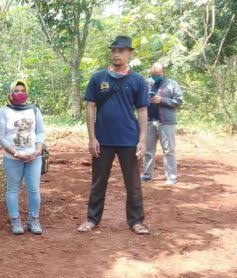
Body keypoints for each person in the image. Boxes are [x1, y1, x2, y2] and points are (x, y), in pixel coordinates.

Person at [78, 36, 151, 235]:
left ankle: (136, 221)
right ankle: (92, 219)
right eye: (114, 50)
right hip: (103, 140)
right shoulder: (98, 78)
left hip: (129, 139)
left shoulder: (137, 80)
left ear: (129, 54)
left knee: (133, 183)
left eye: (121, 50)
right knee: (98, 182)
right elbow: (90, 106)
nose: (117, 54)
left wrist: (142, 140)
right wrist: (92, 137)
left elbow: (143, 111)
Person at [0, 79, 46, 235]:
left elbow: (41, 131)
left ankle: (34, 219)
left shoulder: (34, 109)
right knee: (13, 189)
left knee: (34, 190)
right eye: (16, 90)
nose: (20, 93)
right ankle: (15, 220)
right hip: (12, 158)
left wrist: (38, 148)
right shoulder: (3, 111)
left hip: (33, 157)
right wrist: (15, 153)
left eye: (23, 90)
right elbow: (0, 136)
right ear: (10, 93)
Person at [142, 62, 184, 185]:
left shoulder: (172, 84)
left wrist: (162, 100)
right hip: (149, 120)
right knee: (148, 150)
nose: (155, 77)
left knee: (168, 150)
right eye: (153, 74)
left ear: (163, 73)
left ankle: (171, 177)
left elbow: (179, 101)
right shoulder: (146, 83)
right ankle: (147, 175)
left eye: (158, 75)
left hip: (166, 122)